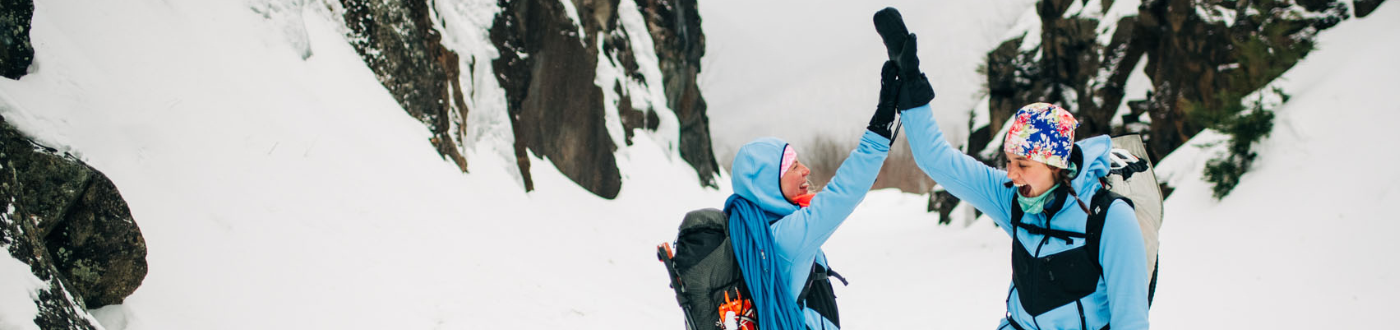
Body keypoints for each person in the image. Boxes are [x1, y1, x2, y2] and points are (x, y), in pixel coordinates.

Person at [872, 7, 1150, 329]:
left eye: (1023, 163)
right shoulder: (1014, 201)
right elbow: (936, 159)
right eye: (1009, 162)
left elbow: (1130, 321)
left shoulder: (1109, 218)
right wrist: (911, 84)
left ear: (1056, 165)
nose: (1012, 174)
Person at [722, 59, 910, 330]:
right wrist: (881, 125)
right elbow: (843, 192)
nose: (805, 170)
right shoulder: (786, 236)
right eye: (793, 166)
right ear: (766, 185)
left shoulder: (753, 234)